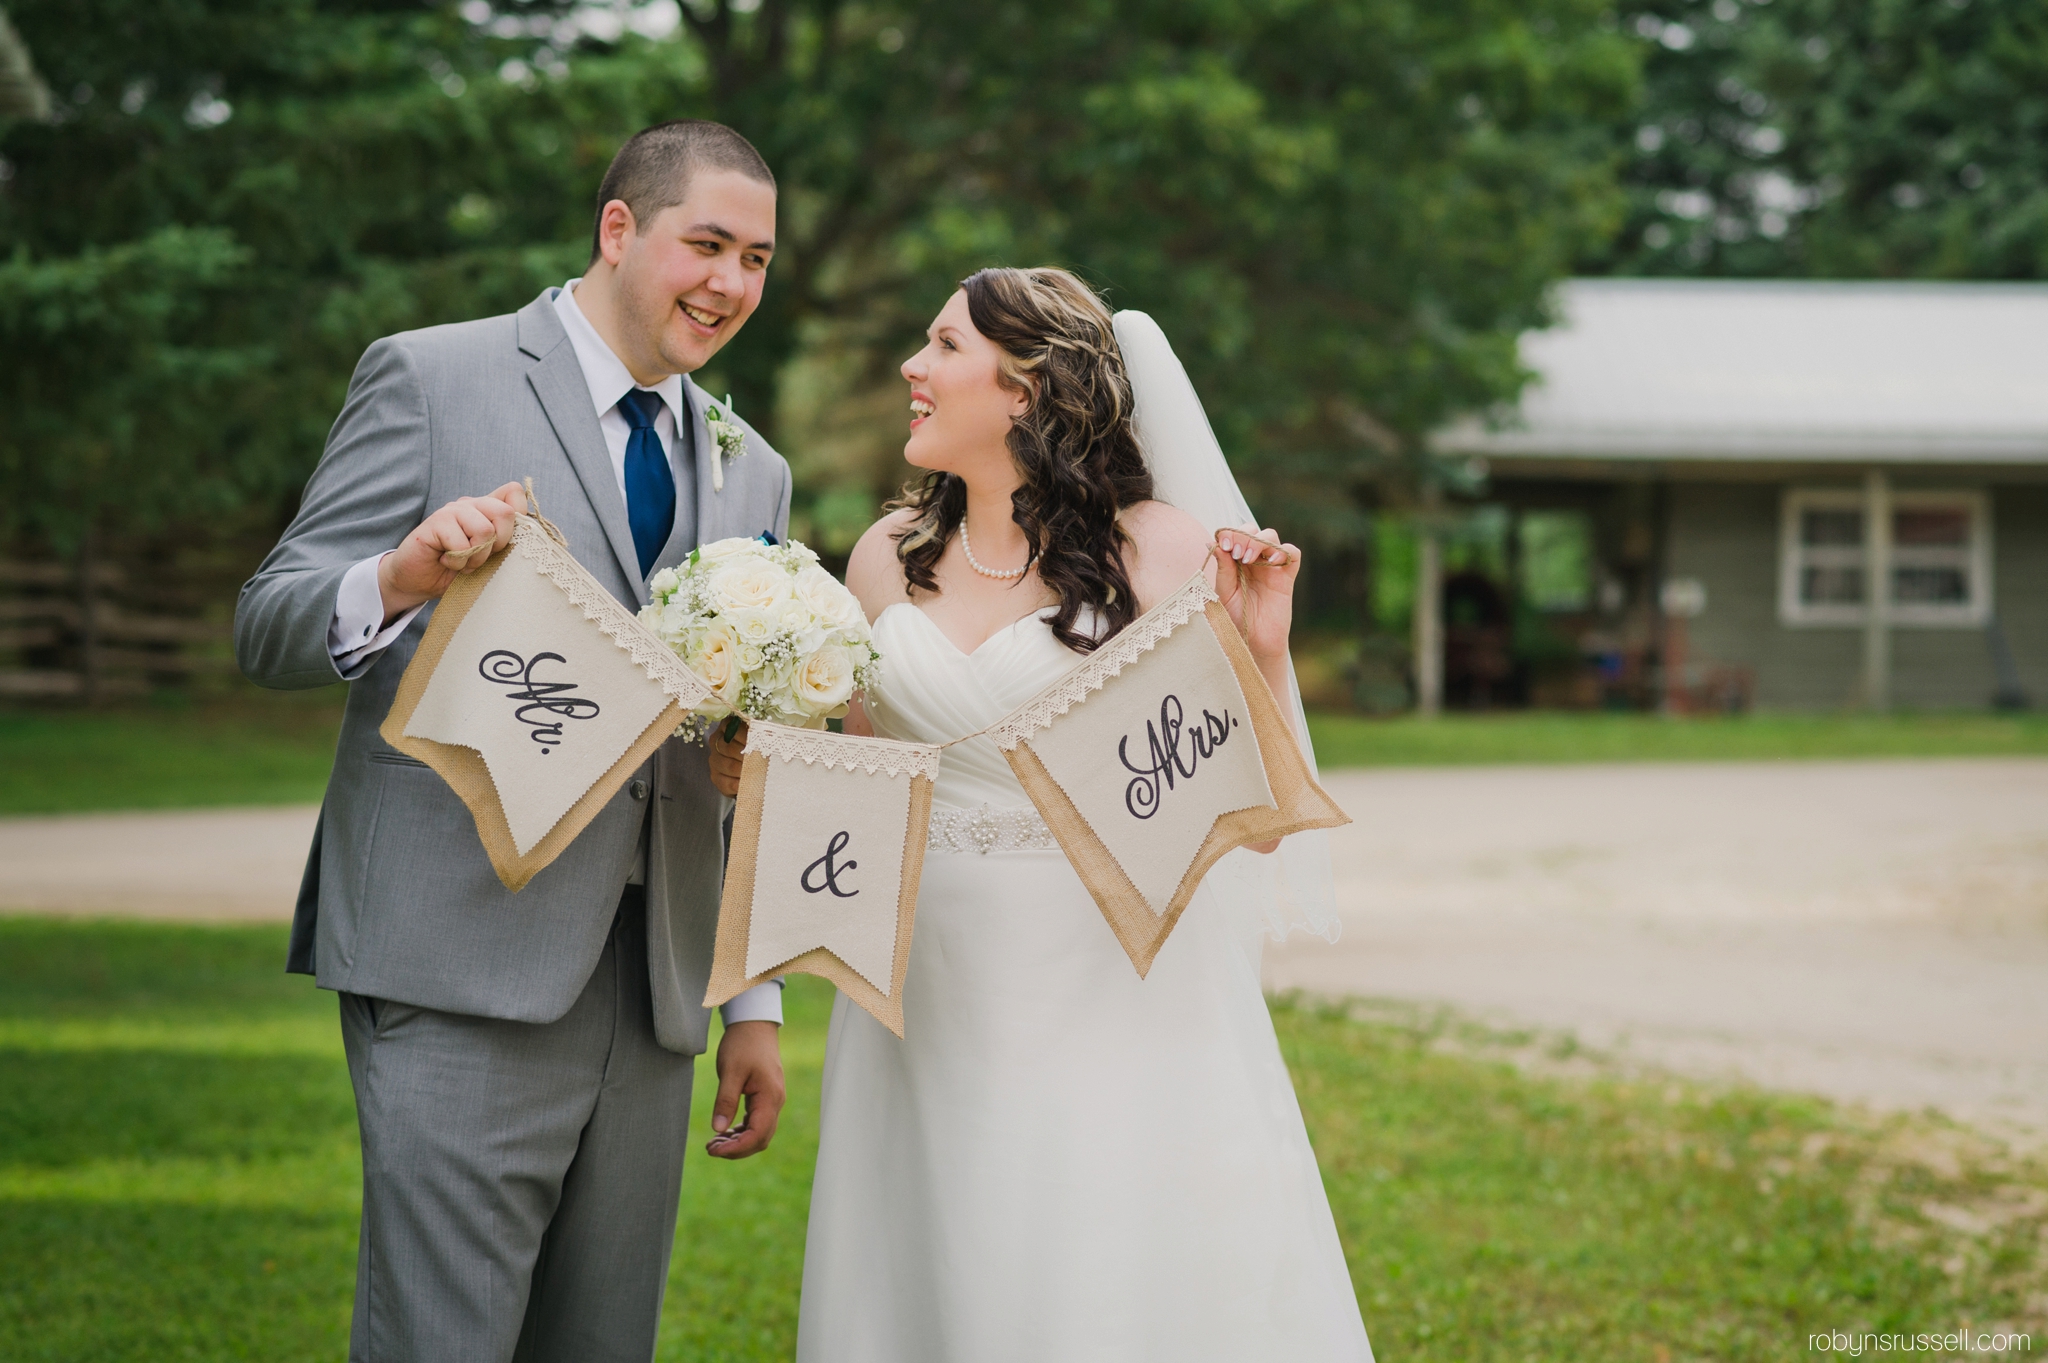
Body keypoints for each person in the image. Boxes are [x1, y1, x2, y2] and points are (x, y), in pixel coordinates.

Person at [235, 120, 794, 1362]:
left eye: (756, 259)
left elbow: (740, 757)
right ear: (617, 230)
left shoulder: (752, 470)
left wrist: (749, 1000)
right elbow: (267, 622)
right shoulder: (433, 378)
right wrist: (399, 575)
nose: (730, 284)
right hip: (454, 965)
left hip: (648, 994)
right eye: (706, 244)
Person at [772, 267, 1373, 1359]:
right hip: (922, 985)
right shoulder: (881, 556)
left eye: (941, 346)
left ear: (1024, 386)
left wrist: (1265, 647)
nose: (912, 367)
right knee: (930, 1247)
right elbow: (862, 782)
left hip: (1105, 973)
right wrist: (759, 758)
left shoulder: (1163, 552)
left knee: (1086, 1240)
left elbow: (1256, 821)